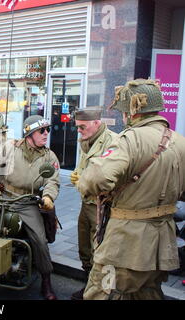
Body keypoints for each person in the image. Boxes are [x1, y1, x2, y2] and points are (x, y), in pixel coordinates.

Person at [77, 79, 185, 300]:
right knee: (146, 293)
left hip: (126, 241)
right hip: (162, 241)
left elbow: (92, 180)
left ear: (133, 113)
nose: (123, 116)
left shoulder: (130, 139)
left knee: (101, 292)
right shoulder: (180, 142)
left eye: (124, 112)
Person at [0, 115, 61, 300]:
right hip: (3, 197)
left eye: (47, 130)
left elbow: (53, 180)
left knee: (40, 240)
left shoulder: (49, 156)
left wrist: (48, 197)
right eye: (41, 131)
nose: (46, 134)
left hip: (28, 201)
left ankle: (46, 280)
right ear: (29, 134)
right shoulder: (10, 147)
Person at [69, 107, 117, 300]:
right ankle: (88, 286)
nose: (79, 131)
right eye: (77, 128)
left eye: (82, 127)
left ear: (96, 123)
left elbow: (112, 178)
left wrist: (83, 180)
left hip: (101, 207)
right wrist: (78, 177)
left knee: (101, 252)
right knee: (85, 249)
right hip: (86, 203)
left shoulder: (112, 142)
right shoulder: (87, 140)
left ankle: (103, 293)